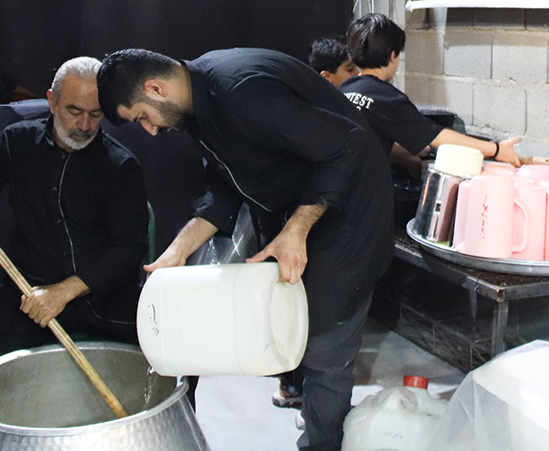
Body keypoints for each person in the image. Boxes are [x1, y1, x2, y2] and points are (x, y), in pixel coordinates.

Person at [97, 47, 393, 451]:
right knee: (290, 317)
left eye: (142, 117)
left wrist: (296, 229)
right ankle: (304, 397)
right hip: (301, 204)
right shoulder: (198, 109)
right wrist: (179, 249)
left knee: (326, 340)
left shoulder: (240, 92)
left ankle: (322, 442)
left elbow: (346, 145)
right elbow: (224, 187)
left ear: (155, 88)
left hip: (351, 208)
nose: (149, 130)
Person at [0, 56, 149, 437]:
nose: (85, 125)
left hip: (102, 301)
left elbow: (128, 249)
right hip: (28, 296)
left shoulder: (121, 167)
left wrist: (63, 292)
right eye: (74, 111)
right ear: (52, 101)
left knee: (175, 344)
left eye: (96, 114)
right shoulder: (18, 141)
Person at [342, 14, 522, 177]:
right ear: (393, 56)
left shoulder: (343, 90)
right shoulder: (387, 98)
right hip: (362, 193)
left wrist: (415, 147)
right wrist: (496, 149)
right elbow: (439, 137)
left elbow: (368, 137)